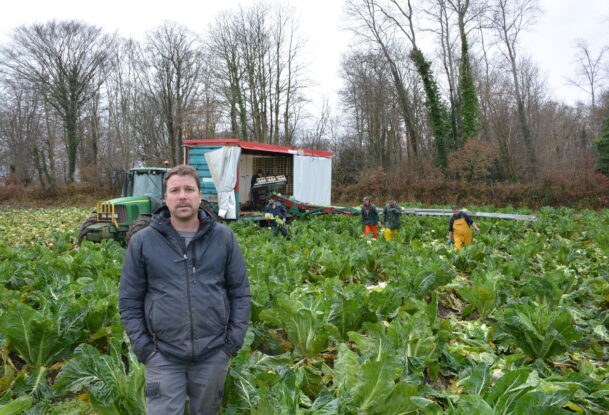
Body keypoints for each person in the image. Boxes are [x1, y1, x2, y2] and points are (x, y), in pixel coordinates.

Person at [119, 164, 251, 415]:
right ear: (165, 198)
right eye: (175, 190)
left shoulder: (224, 238)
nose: (182, 195)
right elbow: (129, 301)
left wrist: (231, 344)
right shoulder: (143, 241)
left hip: (213, 354)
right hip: (163, 356)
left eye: (189, 189)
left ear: (200, 196)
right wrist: (146, 349)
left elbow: (240, 293)